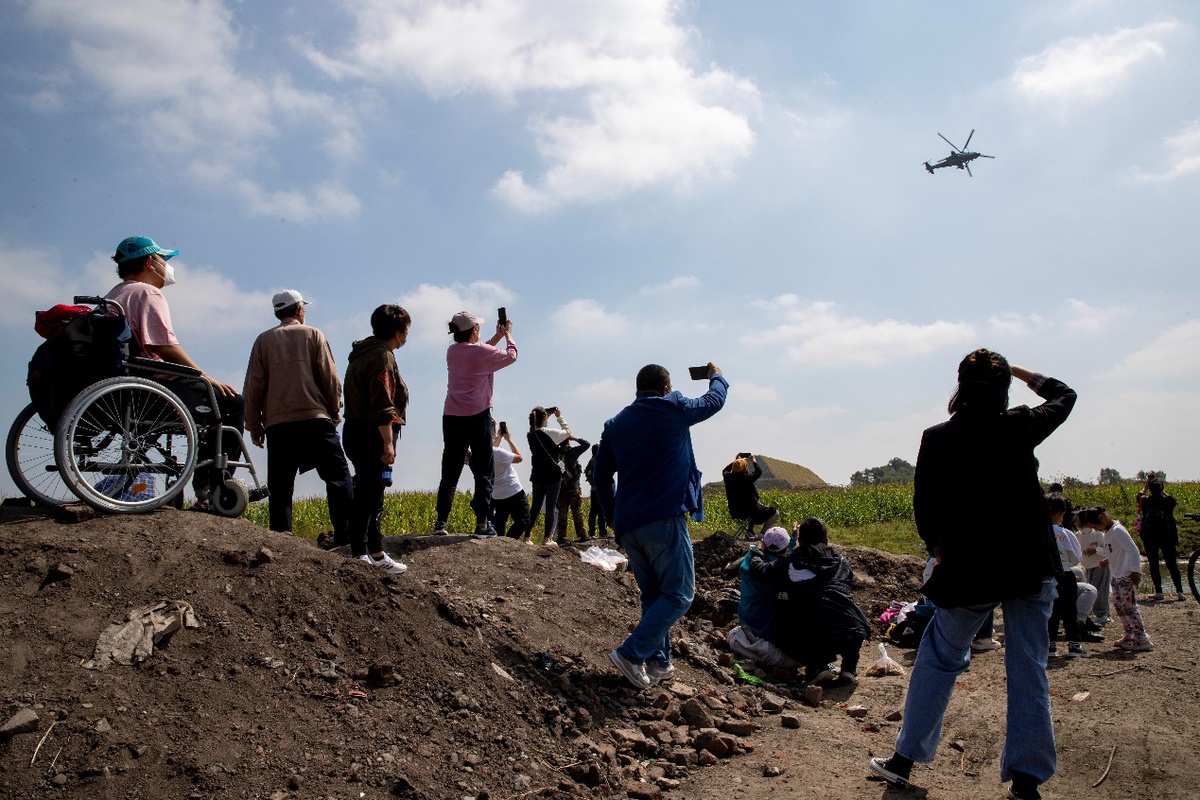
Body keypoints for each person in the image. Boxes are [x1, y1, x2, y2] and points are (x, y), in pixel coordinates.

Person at [869, 349, 1076, 800]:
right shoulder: (1019, 424)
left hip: (969, 568)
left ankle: (904, 760)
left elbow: (926, 507)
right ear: (1002, 389)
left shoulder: (938, 437)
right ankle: (1026, 781)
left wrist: (938, 550)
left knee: (939, 659)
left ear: (959, 386)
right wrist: (1022, 374)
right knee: (1028, 667)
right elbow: (1065, 394)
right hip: (1028, 565)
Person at [594, 362, 728, 690]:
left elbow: (600, 477)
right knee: (681, 594)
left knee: (654, 595)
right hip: (664, 518)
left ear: (638, 389)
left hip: (629, 525)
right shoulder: (674, 406)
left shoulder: (615, 424)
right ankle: (632, 653)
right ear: (666, 387)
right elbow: (714, 401)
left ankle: (660, 663)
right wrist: (716, 376)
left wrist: (614, 519)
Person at [104, 235, 246, 504]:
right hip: (152, 386)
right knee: (230, 401)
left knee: (209, 397)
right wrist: (204, 376)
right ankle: (214, 484)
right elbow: (163, 346)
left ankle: (191, 482)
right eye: (162, 260)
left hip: (125, 386)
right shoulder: (146, 293)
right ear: (149, 262)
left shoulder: (114, 295)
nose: (165, 266)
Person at [243, 290, 352, 542]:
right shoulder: (313, 334)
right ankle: (345, 533)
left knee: (280, 485)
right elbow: (330, 377)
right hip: (315, 418)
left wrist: (253, 423)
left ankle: (282, 537)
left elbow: (254, 385)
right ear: (299, 310)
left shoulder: (263, 340)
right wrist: (335, 409)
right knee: (337, 476)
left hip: (278, 423)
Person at [434, 311, 517, 536]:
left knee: (450, 471)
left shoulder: (452, 352)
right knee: (483, 471)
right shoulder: (481, 352)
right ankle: (482, 524)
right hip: (477, 416)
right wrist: (508, 336)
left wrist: (495, 338)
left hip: (451, 417)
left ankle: (441, 522)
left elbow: (479, 351)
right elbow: (511, 356)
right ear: (473, 331)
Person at [342, 305, 410, 575]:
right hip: (371, 433)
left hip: (355, 430)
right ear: (398, 331)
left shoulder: (362, 353)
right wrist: (388, 442)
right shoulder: (382, 356)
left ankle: (372, 551)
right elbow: (382, 403)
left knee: (370, 492)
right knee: (369, 496)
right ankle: (364, 553)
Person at [772, 517, 870, 685]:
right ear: (826, 541)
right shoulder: (841, 562)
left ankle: (817, 667)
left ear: (800, 541)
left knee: (790, 620)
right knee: (837, 616)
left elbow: (763, 571)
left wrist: (758, 551)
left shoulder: (792, 562)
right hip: (852, 628)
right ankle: (849, 667)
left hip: (816, 629)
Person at [727, 526, 797, 669]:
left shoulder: (750, 560)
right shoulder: (778, 571)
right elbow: (783, 551)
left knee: (735, 636)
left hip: (749, 621)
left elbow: (776, 548)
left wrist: (793, 538)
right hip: (770, 630)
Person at [1085, 507, 1153, 651]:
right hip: (1116, 575)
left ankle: (1142, 637)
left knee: (1129, 606)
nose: (1096, 529)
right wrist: (1107, 560)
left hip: (1126, 574)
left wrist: (1135, 571)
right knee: (1119, 605)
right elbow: (1114, 550)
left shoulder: (1118, 530)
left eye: (1095, 525)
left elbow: (1133, 550)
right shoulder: (1107, 533)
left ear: (1101, 518)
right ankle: (1129, 634)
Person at [1045, 493, 1096, 657]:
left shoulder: (1041, 532)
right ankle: (1074, 646)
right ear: (1061, 514)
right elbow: (1076, 558)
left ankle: (1050, 646)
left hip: (1048, 577)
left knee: (1052, 612)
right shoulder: (1065, 533)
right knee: (1069, 611)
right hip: (1066, 575)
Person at [526, 406, 573, 545]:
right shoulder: (551, 433)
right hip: (552, 475)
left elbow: (539, 427)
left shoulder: (530, 435)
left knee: (535, 507)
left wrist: (546, 415)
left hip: (537, 474)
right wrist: (559, 417)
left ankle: (527, 537)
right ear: (545, 418)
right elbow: (567, 432)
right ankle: (547, 539)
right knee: (551, 507)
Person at [1139, 480, 1185, 601]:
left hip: (1150, 537)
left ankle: (1159, 592)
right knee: (1172, 564)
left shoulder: (1146, 501)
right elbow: (1172, 499)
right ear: (1161, 489)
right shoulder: (1168, 501)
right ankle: (1180, 592)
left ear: (1150, 489)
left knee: (1154, 564)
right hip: (1167, 536)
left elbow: (1139, 496)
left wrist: (1145, 488)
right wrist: (1162, 490)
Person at [490, 421, 531, 540]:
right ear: (492, 432)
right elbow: (519, 458)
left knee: (500, 522)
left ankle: (499, 542)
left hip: (497, 493)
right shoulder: (498, 453)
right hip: (513, 490)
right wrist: (509, 440)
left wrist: (499, 438)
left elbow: (492, 449)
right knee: (524, 519)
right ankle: (510, 541)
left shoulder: (481, 452)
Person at [722, 454, 779, 537]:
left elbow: (725, 470)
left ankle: (750, 530)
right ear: (745, 467)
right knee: (775, 513)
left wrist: (736, 462)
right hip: (751, 511)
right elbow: (758, 472)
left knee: (755, 506)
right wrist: (754, 461)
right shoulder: (747, 478)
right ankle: (762, 533)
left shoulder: (728, 477)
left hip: (734, 512)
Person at [1075, 513, 1111, 626]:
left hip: (1100, 565)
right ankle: (1095, 612)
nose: (1084, 528)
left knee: (1101, 590)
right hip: (1088, 566)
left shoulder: (1099, 534)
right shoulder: (1077, 536)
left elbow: (1107, 551)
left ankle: (1103, 614)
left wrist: (1095, 550)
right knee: (1092, 589)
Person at [554, 433, 591, 542]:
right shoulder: (572, 452)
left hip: (561, 488)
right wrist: (574, 438)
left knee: (562, 512)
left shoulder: (557, 454)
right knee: (577, 511)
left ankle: (561, 536)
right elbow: (586, 444)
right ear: (568, 441)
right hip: (573, 487)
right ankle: (582, 535)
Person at [584, 444, 609, 538]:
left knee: (593, 511)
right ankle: (602, 532)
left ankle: (591, 532)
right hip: (600, 489)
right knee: (601, 511)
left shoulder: (591, 461)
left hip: (593, 489)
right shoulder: (599, 461)